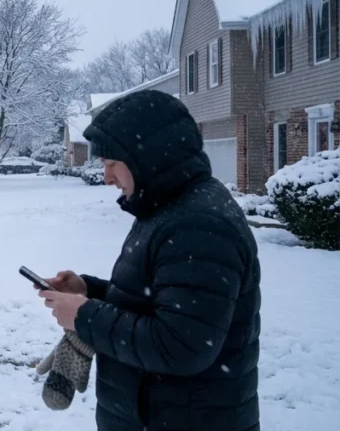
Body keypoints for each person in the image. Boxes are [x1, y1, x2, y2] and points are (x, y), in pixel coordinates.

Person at [38, 90, 261, 431]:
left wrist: (85, 316)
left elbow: (182, 345)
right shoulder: (166, 208)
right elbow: (156, 300)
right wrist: (90, 292)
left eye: (112, 163)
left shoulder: (198, 225)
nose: (106, 176)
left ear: (148, 157)